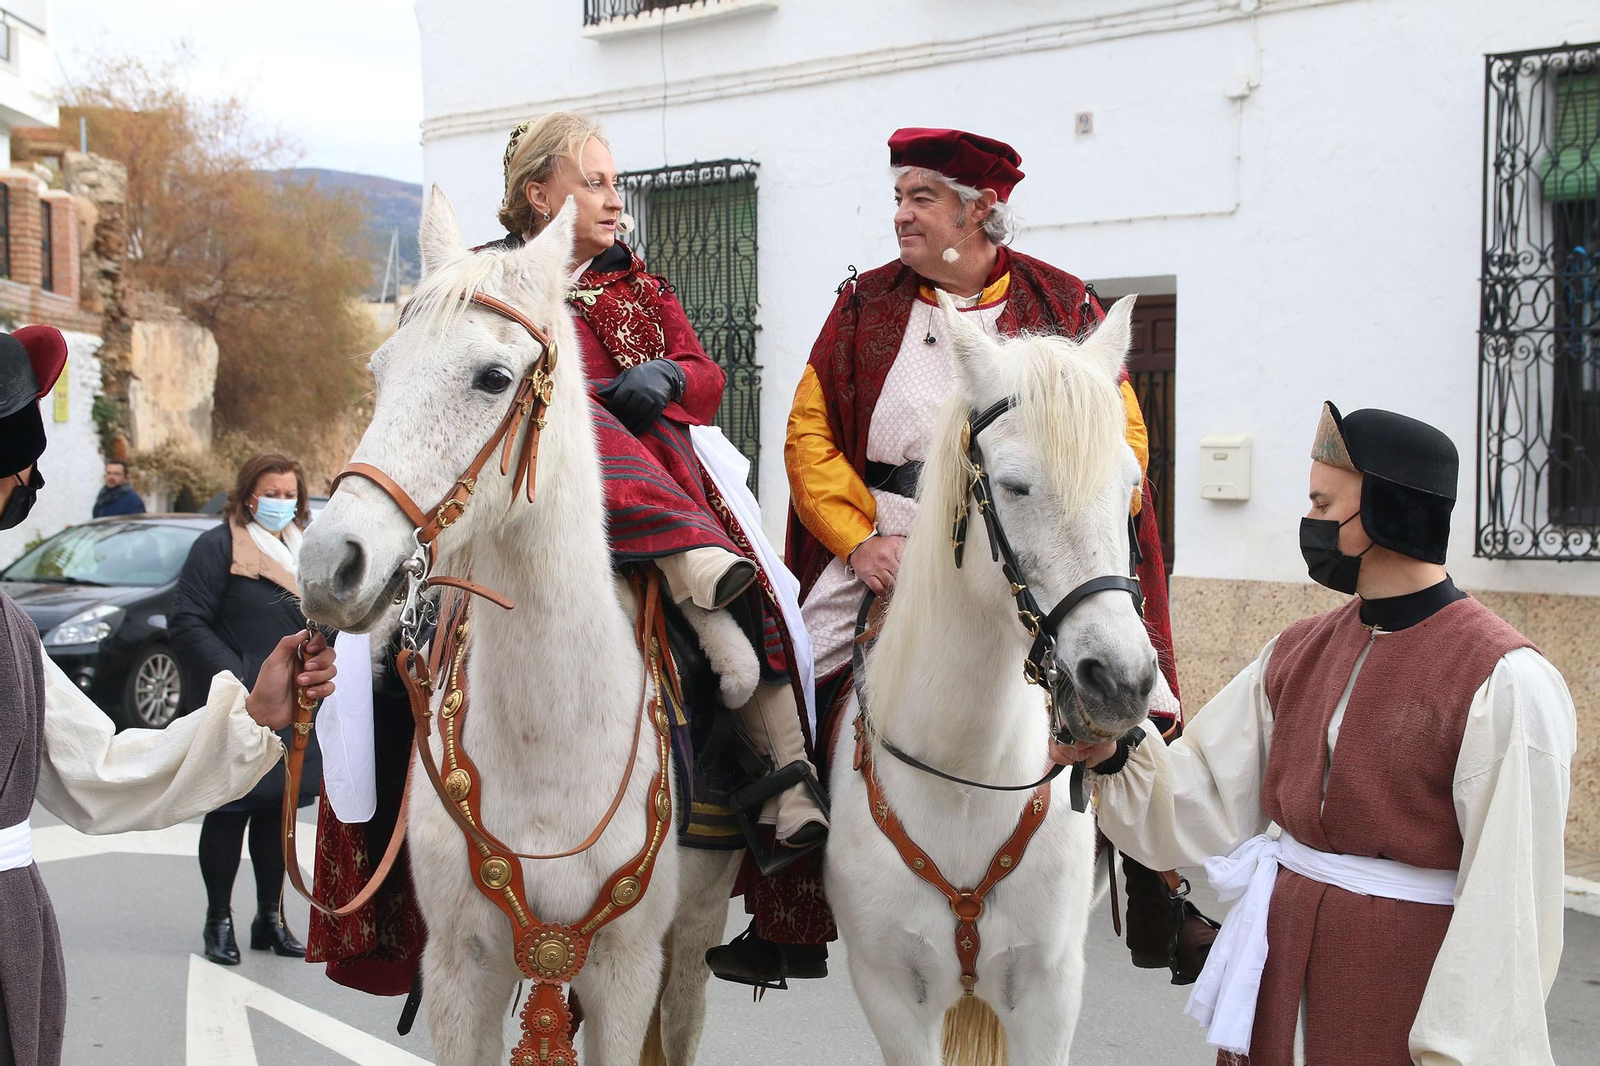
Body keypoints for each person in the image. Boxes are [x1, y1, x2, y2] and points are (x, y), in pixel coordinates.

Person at [306, 112, 824, 999]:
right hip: (511, 494)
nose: (615, 199)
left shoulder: (644, 289)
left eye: (617, 183)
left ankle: (781, 776)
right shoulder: (484, 282)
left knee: (770, 593)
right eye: (595, 181)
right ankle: (394, 854)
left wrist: (667, 379)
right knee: (380, 661)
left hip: (657, 468)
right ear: (539, 196)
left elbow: (706, 375)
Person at [713, 126, 1205, 988]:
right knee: (783, 665)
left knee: (1140, 691)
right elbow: (810, 433)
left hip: (1032, 548)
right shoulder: (864, 305)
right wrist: (861, 541)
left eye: (921, 198)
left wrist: (1075, 521)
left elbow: (1119, 440)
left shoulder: (1064, 306)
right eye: (899, 196)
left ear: (981, 211)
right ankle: (788, 893)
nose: (900, 214)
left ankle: (1166, 884)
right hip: (888, 544)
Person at [1056, 402, 1576, 1066]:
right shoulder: (1297, 651)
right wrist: (1116, 752)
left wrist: (1458, 1050)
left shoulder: (1504, 681)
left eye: (1324, 503)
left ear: (1388, 509)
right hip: (1282, 967)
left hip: (1400, 984)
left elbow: (1509, 909)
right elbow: (1206, 787)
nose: (1312, 522)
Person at [0, 325, 340, 1066]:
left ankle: (256, 917)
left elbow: (102, 769)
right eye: (21, 466)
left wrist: (255, 712)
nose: (29, 485)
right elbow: (188, 618)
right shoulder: (217, 546)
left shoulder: (11, 632)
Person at [169, 453, 325, 967]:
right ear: (247, 495)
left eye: (289, 494)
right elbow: (187, 621)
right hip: (237, 705)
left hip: (296, 706)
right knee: (229, 811)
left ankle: (269, 918)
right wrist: (239, 678)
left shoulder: (304, 550)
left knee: (276, 815)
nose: (280, 502)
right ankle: (219, 920)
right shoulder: (217, 547)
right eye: (271, 493)